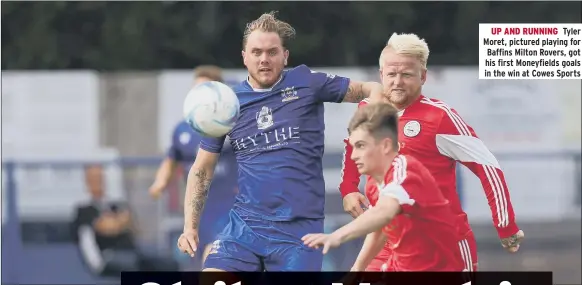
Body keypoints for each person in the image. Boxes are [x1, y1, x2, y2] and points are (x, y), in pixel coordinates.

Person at [176, 11, 385, 272]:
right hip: (245, 227)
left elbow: (369, 89)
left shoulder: (307, 82)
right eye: (256, 52)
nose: (264, 59)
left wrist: (376, 103)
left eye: (272, 52)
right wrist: (190, 227)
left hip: (299, 233)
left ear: (285, 56)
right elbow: (202, 168)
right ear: (244, 56)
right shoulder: (228, 103)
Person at [338, 33, 524, 272]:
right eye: (391, 74)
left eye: (406, 75)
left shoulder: (440, 117)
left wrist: (505, 225)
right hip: (387, 242)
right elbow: (354, 146)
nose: (397, 82)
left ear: (423, 76)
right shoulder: (368, 110)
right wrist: (349, 189)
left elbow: (488, 166)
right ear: (381, 74)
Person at [303, 103, 465, 271]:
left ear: (386, 145)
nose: (353, 155)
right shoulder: (377, 185)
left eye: (360, 146)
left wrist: (337, 236)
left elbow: (384, 212)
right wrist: (356, 271)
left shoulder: (406, 170)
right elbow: (379, 227)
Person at [149, 65, 238, 267]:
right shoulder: (183, 129)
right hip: (198, 209)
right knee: (203, 263)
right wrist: (160, 183)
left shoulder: (232, 125)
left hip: (229, 205)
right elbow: (172, 159)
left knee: (215, 257)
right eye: (196, 89)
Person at [73, 164, 178, 277]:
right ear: (87, 181)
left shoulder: (114, 205)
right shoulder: (84, 211)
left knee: (169, 265)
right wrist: (119, 222)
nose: (99, 181)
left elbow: (132, 224)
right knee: (135, 267)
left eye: (100, 177)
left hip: (132, 253)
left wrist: (118, 222)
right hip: (109, 258)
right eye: (94, 178)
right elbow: (107, 227)